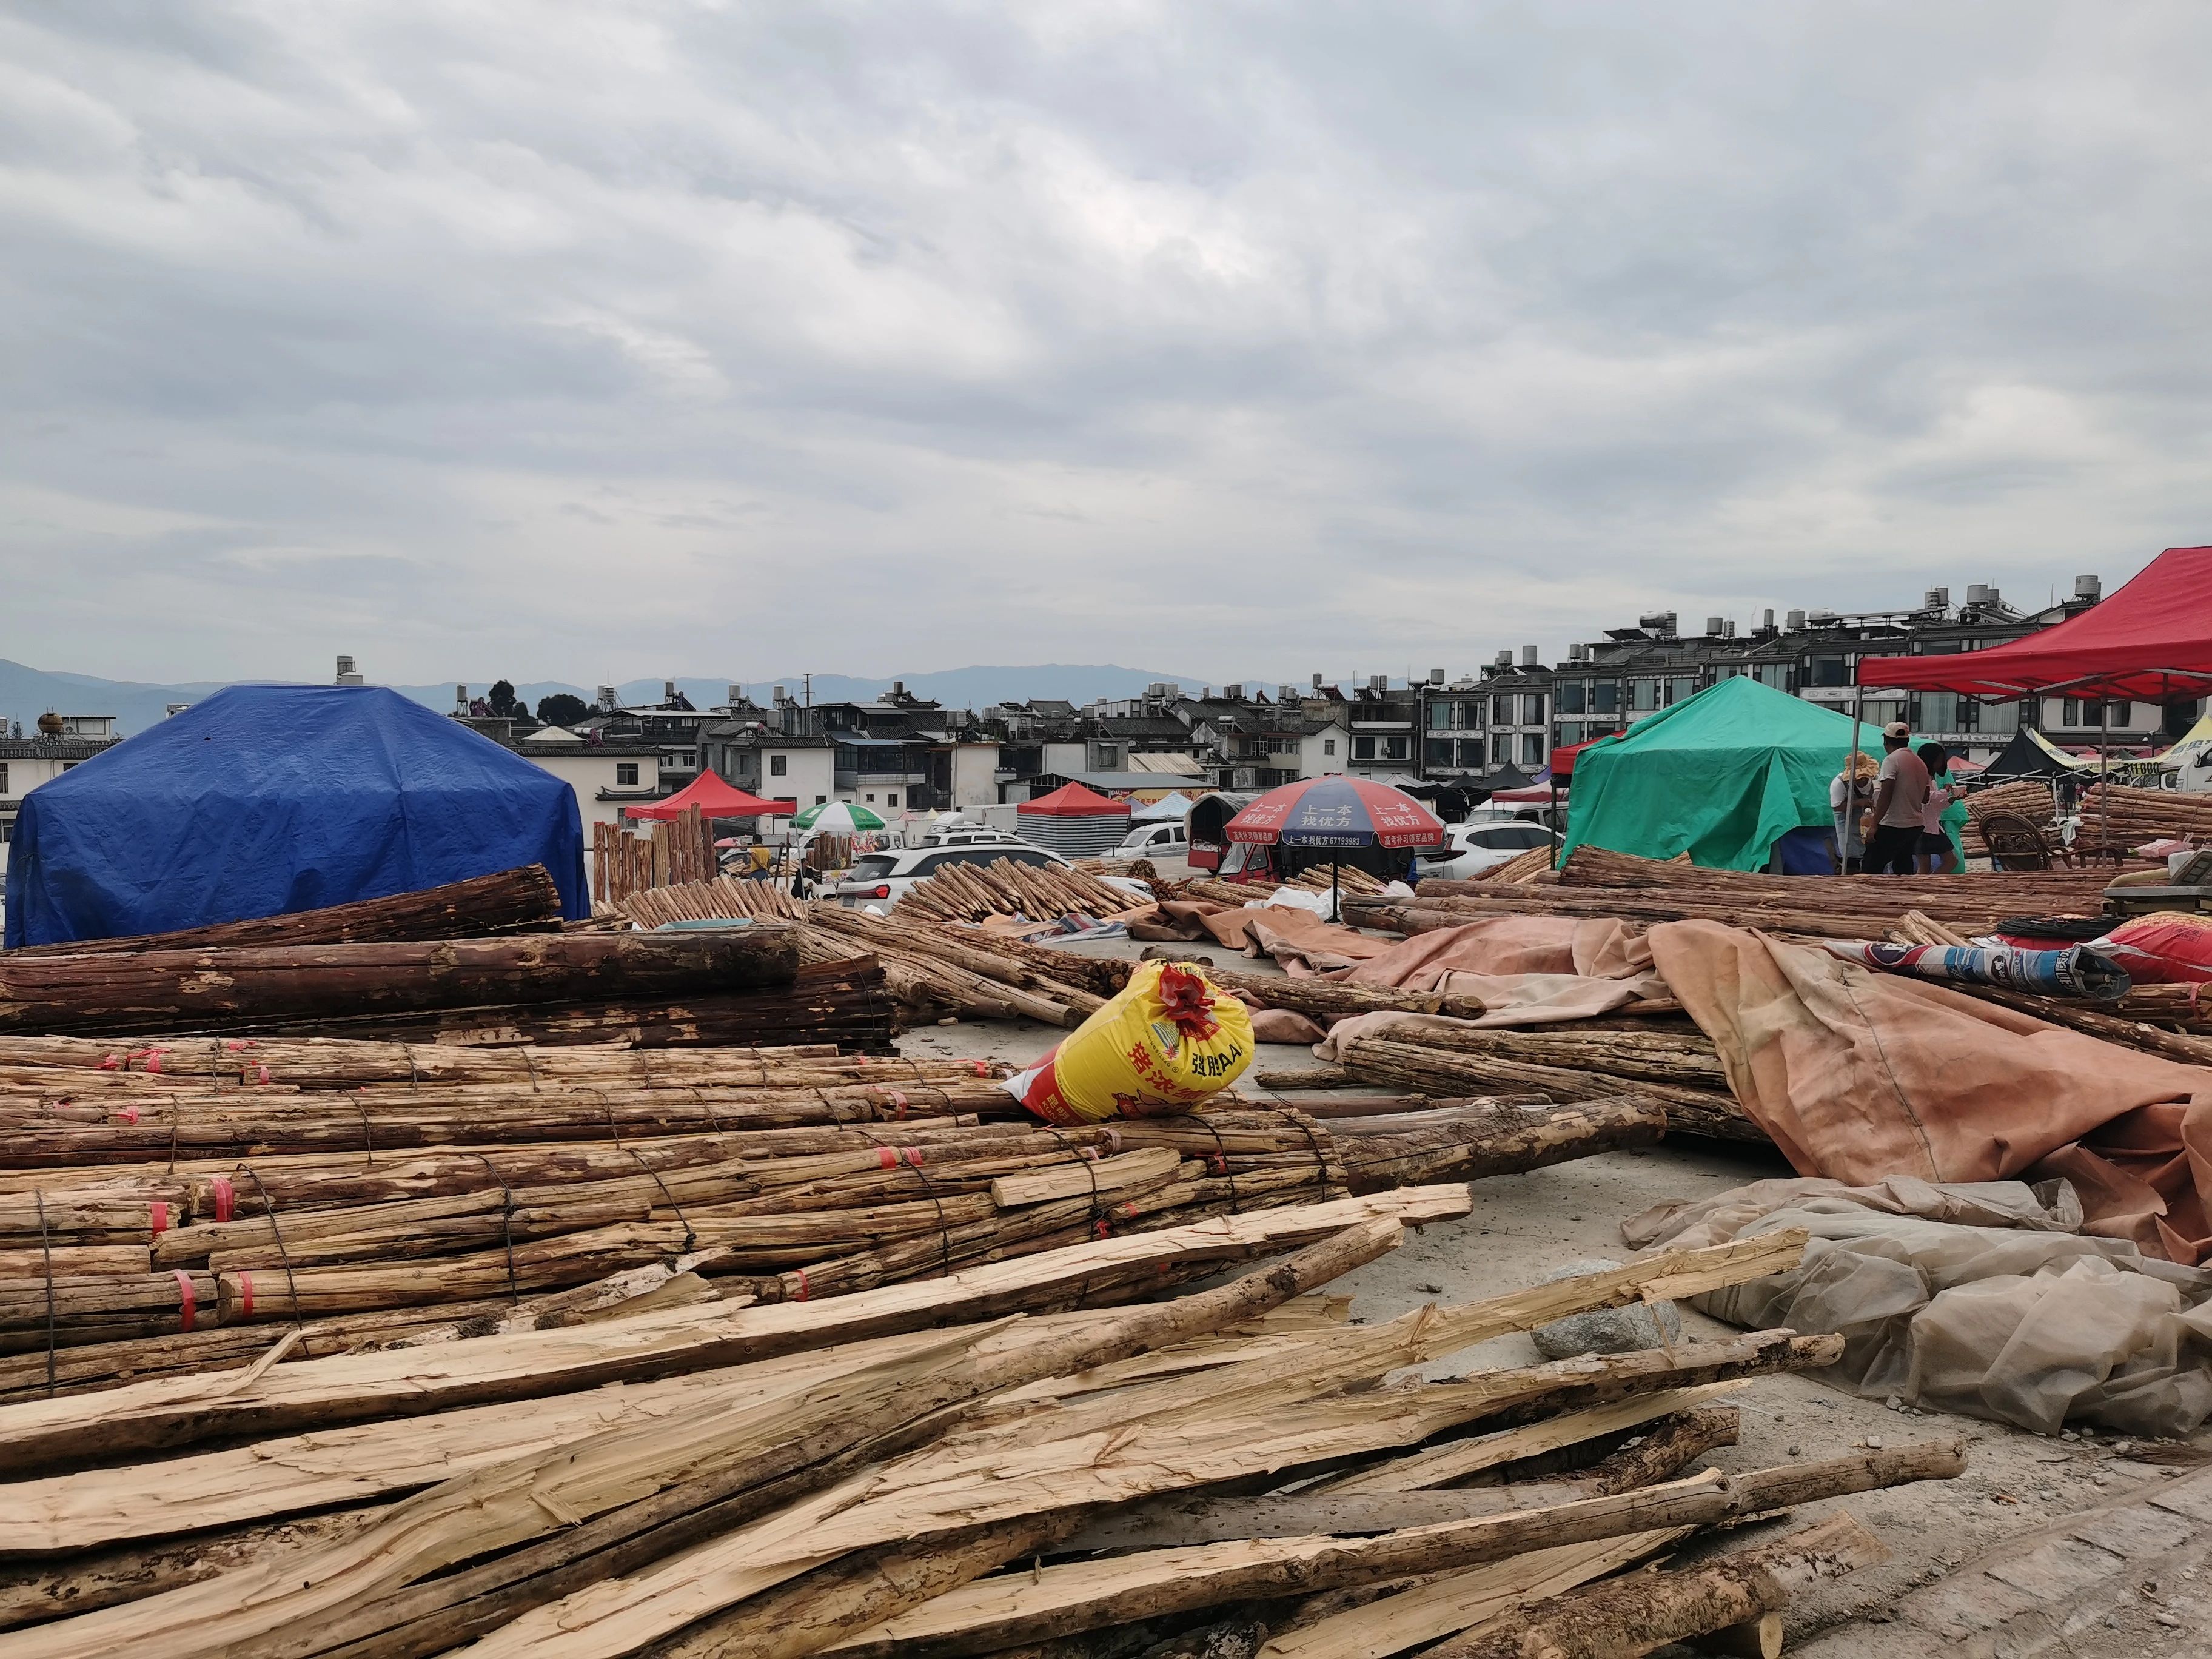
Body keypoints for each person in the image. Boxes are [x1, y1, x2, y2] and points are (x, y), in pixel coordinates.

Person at [1865, 721, 1930, 876]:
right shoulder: (1920, 763)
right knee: (1903, 865)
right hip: (1915, 825)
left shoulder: (1891, 760)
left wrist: (1874, 825)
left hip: (1893, 824)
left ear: (1886, 742)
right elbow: (1925, 798)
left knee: (1870, 867)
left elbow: (1886, 794)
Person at [1915, 742, 1965, 874]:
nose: (1940, 764)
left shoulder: (1932, 779)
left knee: (1931, 864)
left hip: (1932, 826)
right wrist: (1945, 791)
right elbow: (1926, 799)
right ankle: (1925, 883)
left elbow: (1936, 805)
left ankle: (1925, 883)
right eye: (1938, 760)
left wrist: (1952, 799)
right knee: (1941, 863)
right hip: (1924, 827)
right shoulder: (1922, 777)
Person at [1829, 757, 1874, 873]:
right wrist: (1857, 803)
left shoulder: (1876, 781)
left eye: (1863, 777)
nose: (1861, 781)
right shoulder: (1839, 783)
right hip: (1847, 821)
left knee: (1871, 855)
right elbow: (1836, 807)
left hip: (1870, 821)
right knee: (1850, 856)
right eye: (1857, 778)